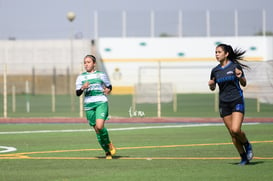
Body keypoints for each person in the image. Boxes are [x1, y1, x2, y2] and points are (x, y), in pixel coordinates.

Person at [208, 44, 253, 165]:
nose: (216, 54)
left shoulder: (235, 66)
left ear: (226, 54)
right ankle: (243, 158)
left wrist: (240, 77)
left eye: (219, 52)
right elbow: (213, 88)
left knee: (236, 129)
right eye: (215, 52)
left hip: (236, 100)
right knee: (232, 133)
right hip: (224, 104)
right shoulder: (215, 70)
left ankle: (247, 144)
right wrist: (211, 85)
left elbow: (243, 83)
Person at [76, 54, 116, 159]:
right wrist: (82, 88)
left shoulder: (101, 75)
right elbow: (77, 93)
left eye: (88, 62)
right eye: (85, 62)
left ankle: (109, 143)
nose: (86, 64)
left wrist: (108, 90)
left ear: (94, 64)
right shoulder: (81, 77)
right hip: (89, 106)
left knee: (99, 126)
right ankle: (107, 152)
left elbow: (109, 86)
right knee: (97, 130)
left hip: (101, 102)